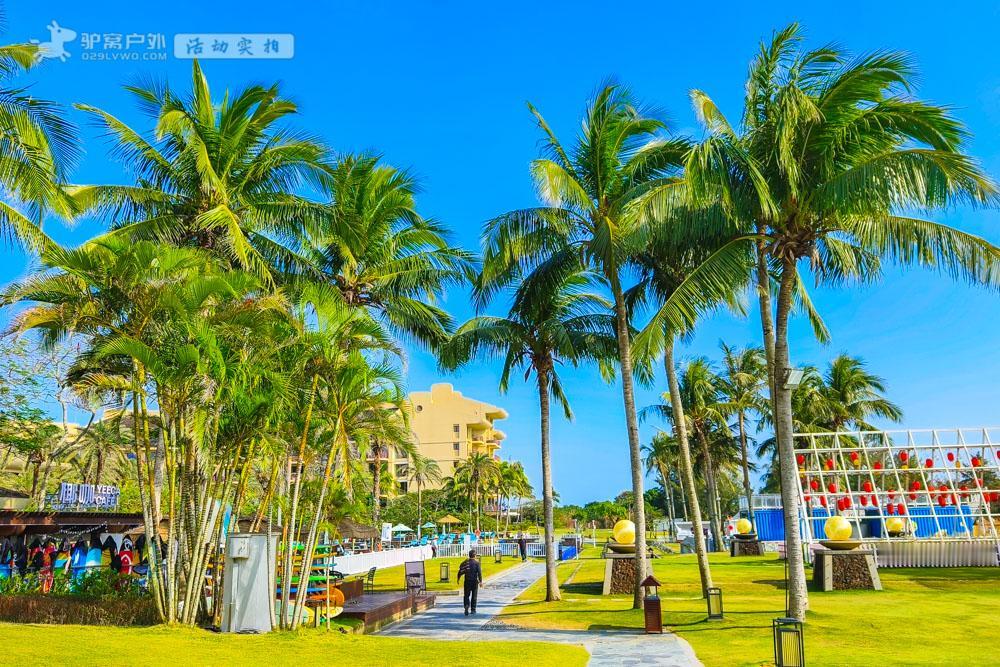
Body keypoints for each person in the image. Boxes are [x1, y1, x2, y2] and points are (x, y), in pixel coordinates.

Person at [457, 549, 483, 615]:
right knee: (474, 596)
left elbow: (461, 570)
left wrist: (458, 579)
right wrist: (480, 582)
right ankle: (473, 610)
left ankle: (466, 606)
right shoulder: (477, 563)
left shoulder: (466, 562)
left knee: (466, 595)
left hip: (467, 581)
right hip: (474, 582)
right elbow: (479, 573)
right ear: (475, 556)